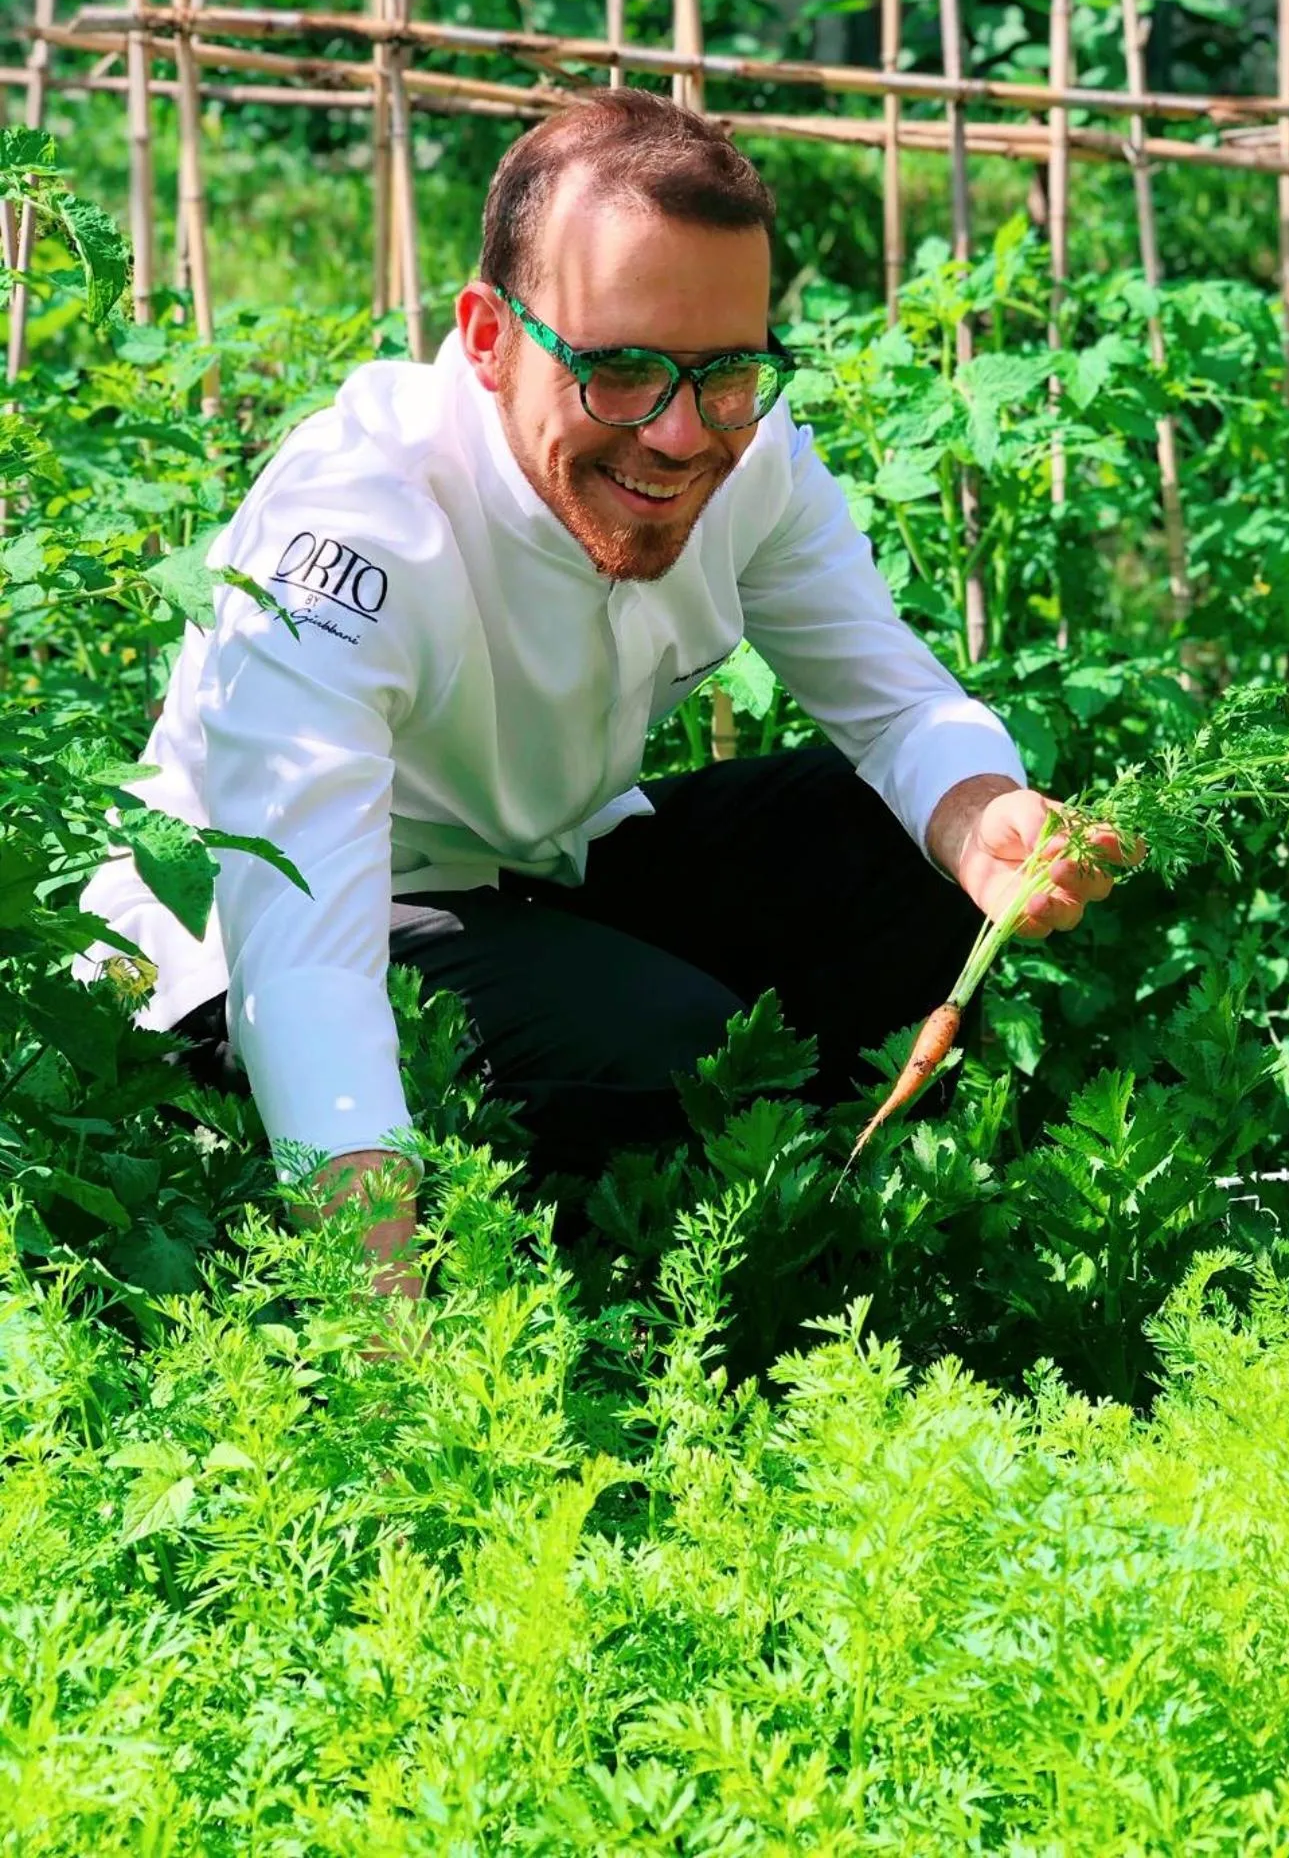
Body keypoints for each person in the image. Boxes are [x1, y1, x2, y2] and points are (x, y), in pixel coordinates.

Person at [81, 88, 1121, 1295]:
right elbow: (302, 957)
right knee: (679, 1056)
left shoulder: (749, 455)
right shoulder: (353, 532)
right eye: (619, 370)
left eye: (727, 372)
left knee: (901, 851)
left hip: (535, 877)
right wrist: (376, 1320)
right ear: (488, 338)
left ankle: (839, 1250)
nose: (680, 436)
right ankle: (607, 1299)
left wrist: (984, 820)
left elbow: (896, 708)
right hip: (252, 947)